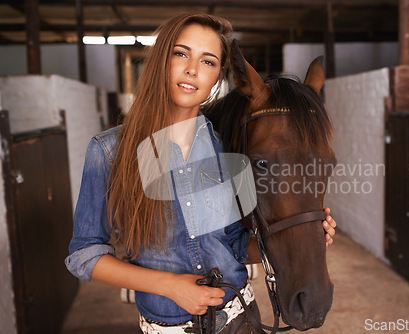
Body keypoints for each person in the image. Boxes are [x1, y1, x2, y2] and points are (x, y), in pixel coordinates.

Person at [65, 12, 337, 334]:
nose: (192, 69)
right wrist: (170, 286)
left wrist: (306, 233)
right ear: (161, 62)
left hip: (241, 320)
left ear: (218, 77)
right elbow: (84, 255)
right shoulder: (110, 151)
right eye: (181, 54)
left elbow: (237, 244)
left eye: (208, 62)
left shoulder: (227, 149)